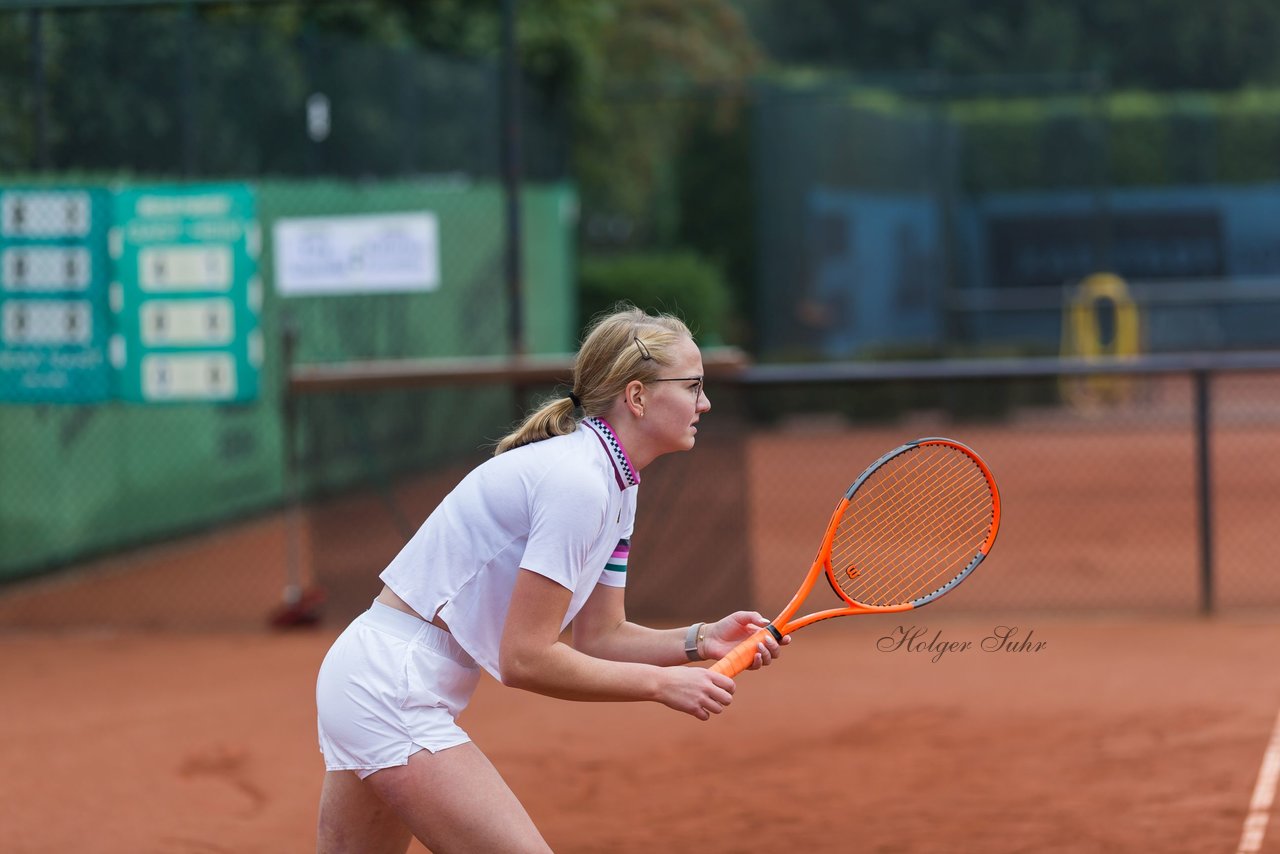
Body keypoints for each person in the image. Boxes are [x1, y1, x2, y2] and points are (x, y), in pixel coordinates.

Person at [314, 304, 788, 853]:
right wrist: (663, 686)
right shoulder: (578, 482)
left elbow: (600, 635)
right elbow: (526, 658)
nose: (704, 403)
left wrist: (700, 641)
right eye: (692, 386)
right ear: (637, 397)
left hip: (380, 680)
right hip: (389, 686)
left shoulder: (617, 484)